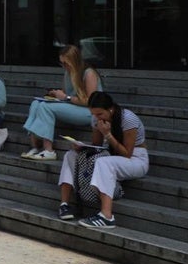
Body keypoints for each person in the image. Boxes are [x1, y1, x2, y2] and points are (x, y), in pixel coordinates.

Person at [58, 91, 149, 228]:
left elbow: (126, 154)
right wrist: (82, 147)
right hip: (110, 153)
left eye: (99, 114)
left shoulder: (128, 119)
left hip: (136, 158)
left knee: (103, 162)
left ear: (110, 109)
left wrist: (107, 134)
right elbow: (97, 146)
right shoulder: (97, 118)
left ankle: (107, 216)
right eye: (93, 114)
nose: (96, 117)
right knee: (71, 155)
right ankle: (64, 204)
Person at [22, 44, 102, 161]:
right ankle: (35, 146)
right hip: (73, 106)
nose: (64, 66)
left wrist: (66, 97)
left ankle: (49, 150)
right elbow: (65, 93)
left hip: (90, 112)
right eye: (61, 63)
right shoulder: (68, 73)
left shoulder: (89, 73)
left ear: (74, 61)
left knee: (45, 107)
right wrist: (56, 95)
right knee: (36, 103)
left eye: (66, 63)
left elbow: (91, 101)